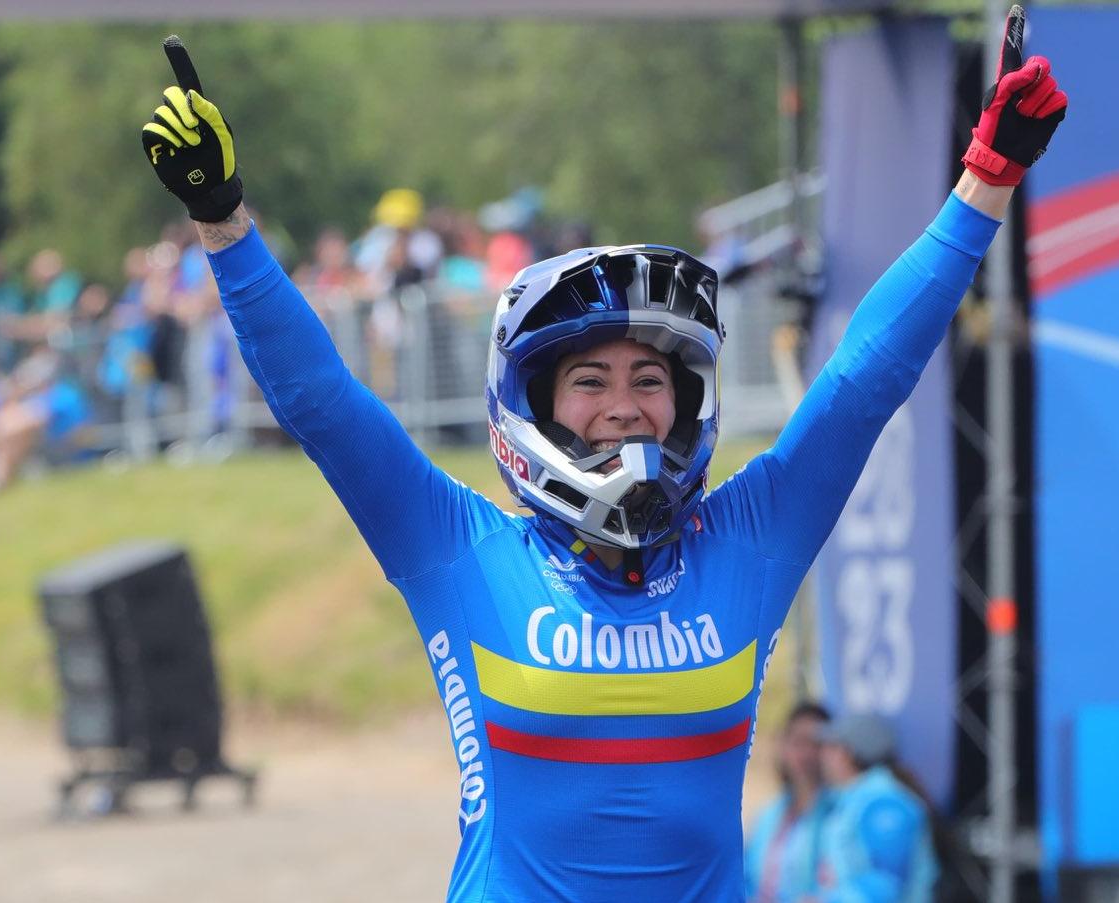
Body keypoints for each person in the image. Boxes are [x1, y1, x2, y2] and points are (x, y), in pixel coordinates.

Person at [139, 14, 1063, 901]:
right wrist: (222, 219)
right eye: (589, 379)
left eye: (649, 378)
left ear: (684, 401)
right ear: (533, 406)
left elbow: (864, 381)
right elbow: (322, 403)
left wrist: (986, 180)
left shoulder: (748, 540)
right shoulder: (460, 550)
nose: (624, 405)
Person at [811, 714, 938, 903]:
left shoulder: (884, 803)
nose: (822, 756)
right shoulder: (852, 800)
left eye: (831, 747)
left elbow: (886, 886)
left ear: (848, 753)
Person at [747, 702, 835, 903]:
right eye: (798, 742)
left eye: (816, 744)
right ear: (783, 745)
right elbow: (747, 879)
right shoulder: (769, 815)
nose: (806, 753)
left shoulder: (841, 812)